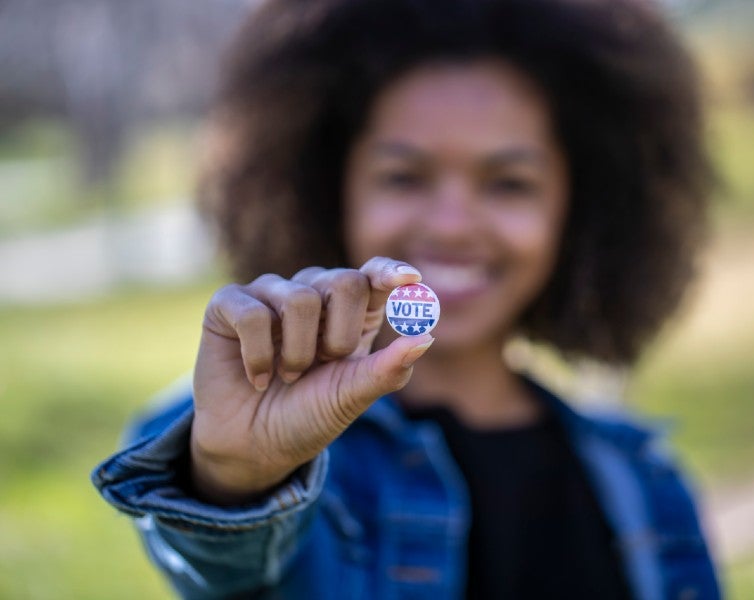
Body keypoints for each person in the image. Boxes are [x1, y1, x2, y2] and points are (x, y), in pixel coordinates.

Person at [92, 0, 720, 597]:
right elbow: (226, 570)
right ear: (326, 188)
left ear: (577, 208)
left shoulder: (647, 484)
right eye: (404, 176)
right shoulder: (260, 437)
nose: (451, 225)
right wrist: (235, 478)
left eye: (509, 183)